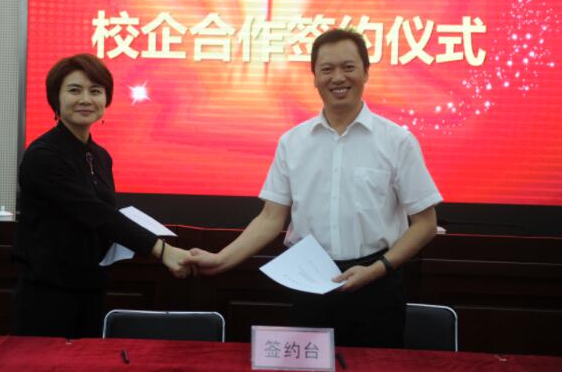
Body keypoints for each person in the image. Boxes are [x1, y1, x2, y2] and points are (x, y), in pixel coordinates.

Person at [183, 29, 442, 348]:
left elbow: (425, 223)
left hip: (377, 282)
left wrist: (377, 270)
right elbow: (270, 218)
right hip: (309, 282)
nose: (338, 78)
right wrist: (221, 259)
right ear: (315, 77)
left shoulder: (397, 141)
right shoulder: (293, 142)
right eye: (327, 69)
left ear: (366, 72)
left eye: (348, 67)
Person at [12, 53, 191, 339]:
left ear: (106, 100)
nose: (86, 99)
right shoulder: (43, 155)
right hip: (48, 294)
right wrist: (162, 250)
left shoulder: (101, 156)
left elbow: (102, 218)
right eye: (74, 90)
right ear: (55, 98)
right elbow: (95, 213)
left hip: (92, 289)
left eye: (95, 91)